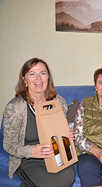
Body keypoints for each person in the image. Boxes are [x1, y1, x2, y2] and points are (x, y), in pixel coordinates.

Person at [3, 57, 75, 187]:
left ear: (48, 78)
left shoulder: (59, 102)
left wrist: (67, 136)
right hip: (29, 159)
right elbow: (8, 145)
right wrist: (32, 151)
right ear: (24, 80)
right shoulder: (15, 107)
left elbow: (62, 134)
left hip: (56, 154)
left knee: (69, 178)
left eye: (43, 73)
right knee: (53, 184)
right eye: (32, 74)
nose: (38, 79)